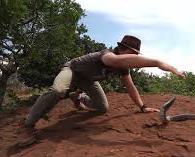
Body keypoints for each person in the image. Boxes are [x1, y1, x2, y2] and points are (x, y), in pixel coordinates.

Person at [17, 35, 184, 147]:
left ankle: (79, 96)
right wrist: (156, 62)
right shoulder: (108, 55)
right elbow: (116, 61)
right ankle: (28, 125)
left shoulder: (123, 68)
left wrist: (142, 107)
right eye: (132, 54)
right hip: (73, 70)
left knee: (103, 107)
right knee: (58, 91)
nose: (133, 59)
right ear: (123, 50)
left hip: (88, 80)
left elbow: (131, 87)